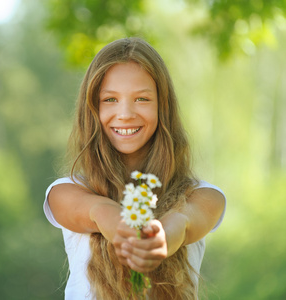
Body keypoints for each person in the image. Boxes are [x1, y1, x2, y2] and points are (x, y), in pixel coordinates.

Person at [43, 37, 226, 300]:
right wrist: (122, 227)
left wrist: (160, 238)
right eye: (110, 99)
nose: (126, 113)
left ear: (163, 107)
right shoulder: (65, 192)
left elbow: (184, 221)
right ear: (92, 109)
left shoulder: (205, 196)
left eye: (141, 98)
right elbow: (96, 210)